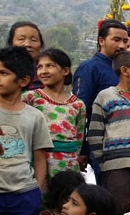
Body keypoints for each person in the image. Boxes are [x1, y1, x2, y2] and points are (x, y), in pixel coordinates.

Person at [0, 46, 53, 215]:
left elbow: (39, 157)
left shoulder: (34, 116)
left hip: (23, 193)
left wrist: (36, 191)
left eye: (4, 73)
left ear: (22, 81)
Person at [89, 51, 130, 214]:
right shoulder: (105, 96)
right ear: (125, 70)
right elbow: (95, 133)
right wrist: (104, 163)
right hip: (115, 165)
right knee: (117, 209)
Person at [72, 19, 128, 183]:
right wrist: (82, 149)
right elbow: (80, 110)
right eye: (116, 40)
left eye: (125, 40)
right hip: (101, 145)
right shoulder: (90, 68)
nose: (122, 45)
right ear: (101, 41)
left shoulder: (122, 69)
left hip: (125, 144)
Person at [22, 48, 86, 190]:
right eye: (39, 67)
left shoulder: (78, 104)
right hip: (38, 161)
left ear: (65, 71)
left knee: (65, 201)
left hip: (68, 163)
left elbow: (79, 138)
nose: (43, 71)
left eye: (49, 66)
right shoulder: (30, 97)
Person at [6, 21, 44, 90]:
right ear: (11, 43)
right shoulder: (3, 70)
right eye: (21, 39)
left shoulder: (47, 74)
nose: (27, 44)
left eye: (33, 40)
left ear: (41, 45)